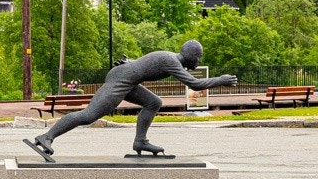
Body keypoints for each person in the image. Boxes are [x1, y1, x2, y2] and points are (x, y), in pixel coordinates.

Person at [24, 40, 235, 160]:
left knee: (154, 102)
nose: (198, 61)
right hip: (121, 80)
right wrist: (221, 80)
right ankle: (47, 137)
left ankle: (140, 141)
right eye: (198, 57)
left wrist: (129, 63)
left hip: (127, 77)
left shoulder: (168, 57)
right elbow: (195, 85)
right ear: (189, 54)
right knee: (89, 115)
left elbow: (144, 63)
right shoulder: (171, 61)